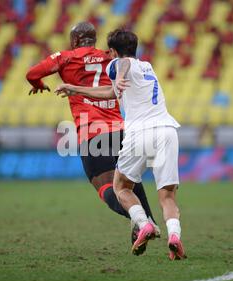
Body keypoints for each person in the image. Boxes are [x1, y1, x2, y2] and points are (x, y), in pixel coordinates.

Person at [26, 22, 159, 254]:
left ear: (75, 41)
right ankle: (149, 218)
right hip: (121, 129)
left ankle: (140, 220)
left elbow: (32, 73)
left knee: (107, 187)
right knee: (129, 179)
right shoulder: (110, 56)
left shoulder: (66, 58)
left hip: (92, 133)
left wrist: (38, 84)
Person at [55, 29, 186, 260]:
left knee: (121, 188)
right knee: (168, 197)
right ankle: (174, 237)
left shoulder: (116, 65)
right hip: (167, 130)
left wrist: (121, 72)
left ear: (113, 51)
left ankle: (144, 224)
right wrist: (75, 88)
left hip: (139, 133)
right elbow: (109, 92)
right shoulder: (148, 67)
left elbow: (123, 65)